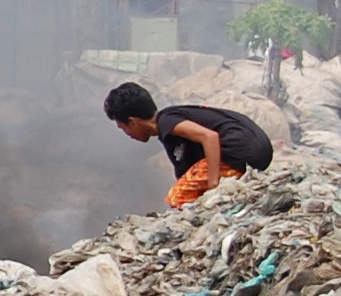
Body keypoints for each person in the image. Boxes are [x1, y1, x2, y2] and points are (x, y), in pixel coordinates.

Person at [104, 81, 275, 207]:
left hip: (239, 153)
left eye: (122, 128)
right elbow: (186, 171)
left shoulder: (167, 121)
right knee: (186, 187)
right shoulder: (170, 127)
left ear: (133, 122)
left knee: (177, 197)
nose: (127, 134)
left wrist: (213, 185)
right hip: (255, 152)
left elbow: (210, 137)